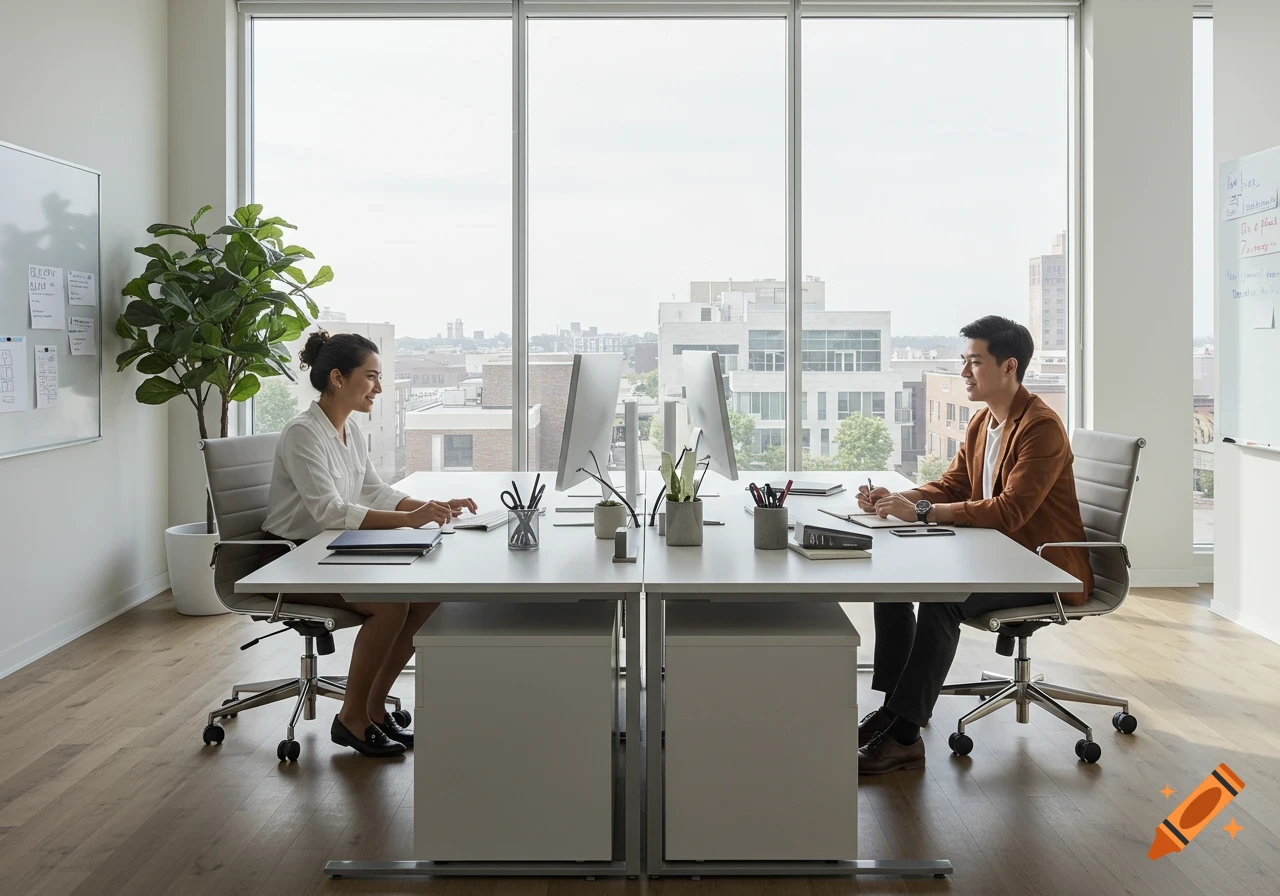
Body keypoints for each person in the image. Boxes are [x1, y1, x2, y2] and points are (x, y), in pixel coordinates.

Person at [854, 315, 1093, 774]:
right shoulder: (984, 420)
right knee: (893, 583)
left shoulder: (1041, 427)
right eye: (963, 361)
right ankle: (891, 711)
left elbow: (1009, 512)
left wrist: (922, 513)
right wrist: (902, 498)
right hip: (997, 557)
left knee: (943, 602)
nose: (963, 372)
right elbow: (954, 485)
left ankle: (904, 738)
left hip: (1043, 569)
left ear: (1008, 366)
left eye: (973, 362)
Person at [262, 330, 477, 758]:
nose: (379, 388)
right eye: (372, 377)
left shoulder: (350, 431)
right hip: (292, 557)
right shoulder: (302, 433)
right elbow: (329, 511)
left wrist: (432, 507)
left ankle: (373, 709)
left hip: (331, 550)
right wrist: (410, 520)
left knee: (424, 600)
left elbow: (374, 491)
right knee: (391, 604)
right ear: (338, 378)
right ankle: (351, 720)